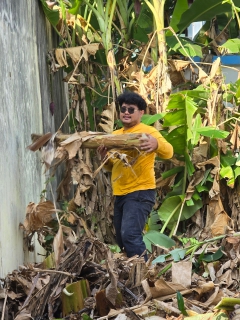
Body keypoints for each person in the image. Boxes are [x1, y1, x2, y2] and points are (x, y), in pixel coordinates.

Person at [97, 92, 173, 261]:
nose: (126, 112)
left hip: (140, 191)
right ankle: (134, 271)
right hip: (121, 193)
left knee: (130, 235)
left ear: (141, 113)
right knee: (122, 239)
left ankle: (146, 274)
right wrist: (103, 157)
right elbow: (112, 166)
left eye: (131, 109)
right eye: (123, 108)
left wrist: (156, 143)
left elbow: (169, 151)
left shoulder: (148, 132)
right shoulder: (115, 135)